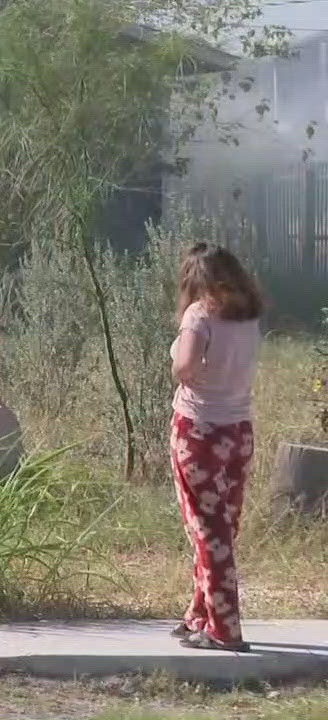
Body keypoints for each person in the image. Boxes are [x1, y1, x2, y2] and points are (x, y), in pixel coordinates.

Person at [168, 242, 263, 653]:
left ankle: (224, 628)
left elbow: (185, 368)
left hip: (199, 430)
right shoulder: (248, 317)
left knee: (208, 530)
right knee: (222, 526)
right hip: (238, 430)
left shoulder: (199, 314)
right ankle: (199, 614)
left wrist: (177, 359)